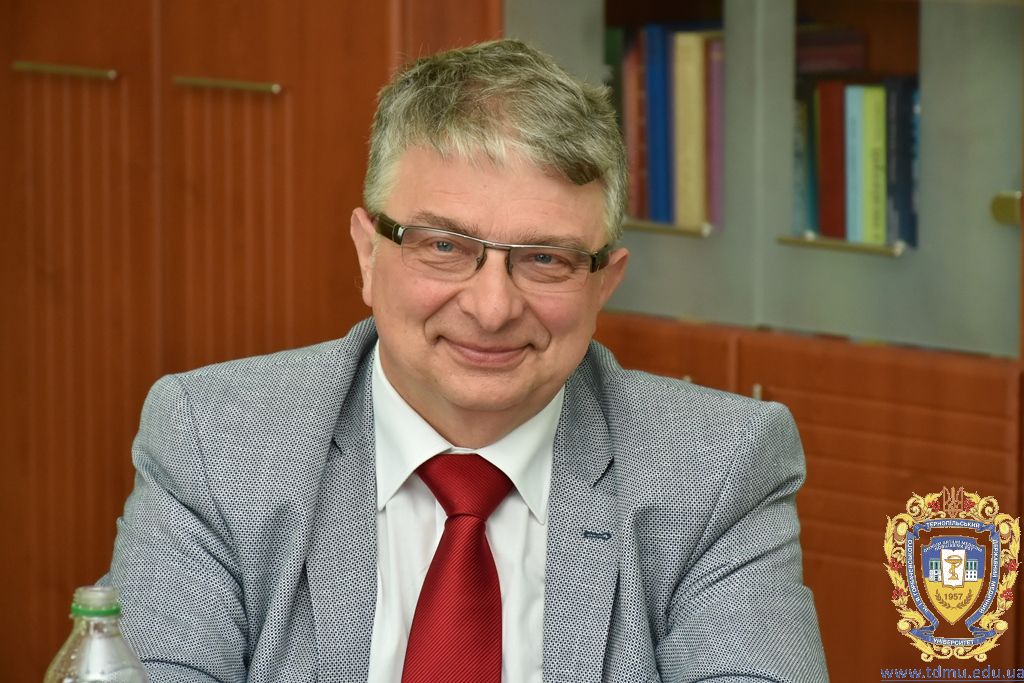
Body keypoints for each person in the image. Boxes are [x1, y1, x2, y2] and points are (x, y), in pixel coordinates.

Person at [105, 39, 828, 682]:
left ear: (603, 284)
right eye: (445, 246)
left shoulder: (718, 468)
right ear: (368, 253)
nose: (491, 307)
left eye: (545, 259)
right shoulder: (214, 442)